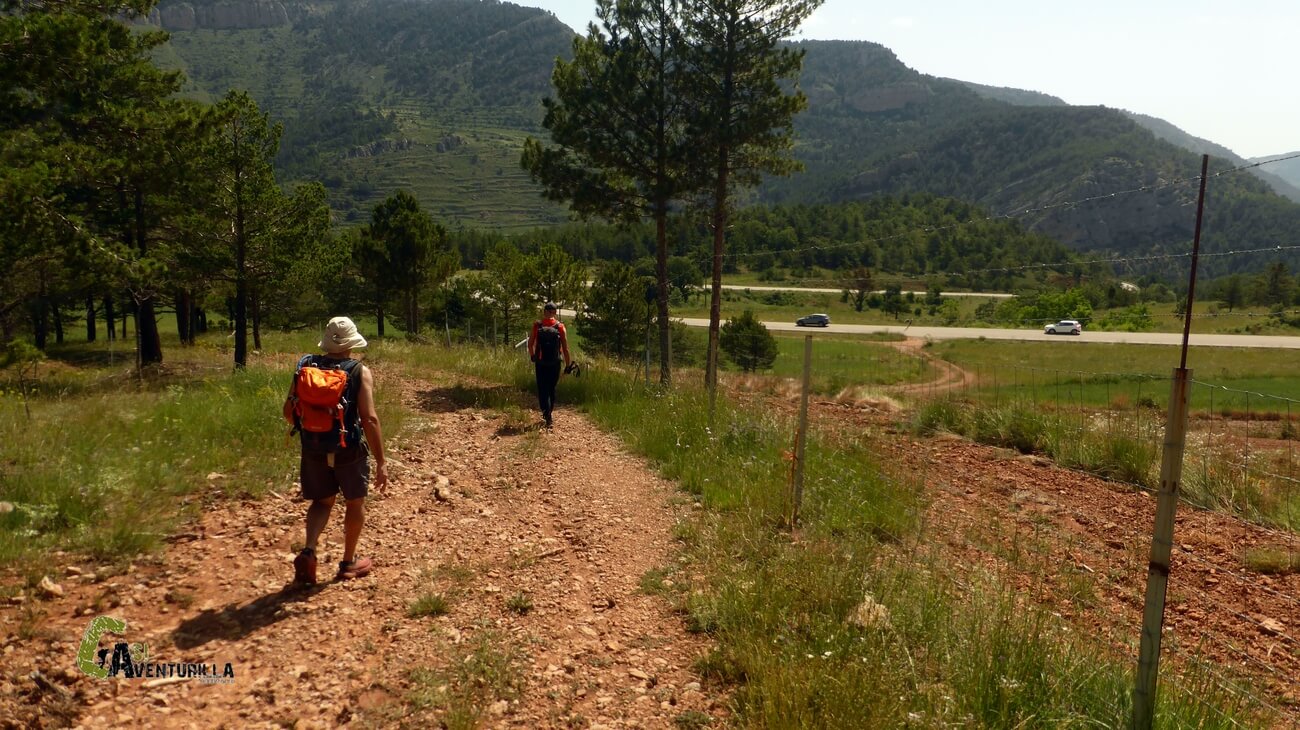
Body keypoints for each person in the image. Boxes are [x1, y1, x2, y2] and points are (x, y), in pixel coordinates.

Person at [283, 316, 388, 584]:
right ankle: (348, 562)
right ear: (352, 342)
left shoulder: (306, 366)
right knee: (355, 502)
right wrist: (381, 461)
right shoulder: (358, 371)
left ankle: (309, 551)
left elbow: (288, 412)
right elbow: (370, 419)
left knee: (321, 502)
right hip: (348, 450)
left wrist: (317, 425)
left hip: (314, 447)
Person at [527, 302, 572, 427]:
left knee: (542, 389)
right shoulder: (560, 327)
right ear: (555, 313)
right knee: (551, 389)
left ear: (544, 311)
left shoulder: (537, 326)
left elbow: (530, 344)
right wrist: (568, 365)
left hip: (540, 362)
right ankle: (549, 414)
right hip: (555, 362)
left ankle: (546, 413)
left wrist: (532, 356)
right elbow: (566, 348)